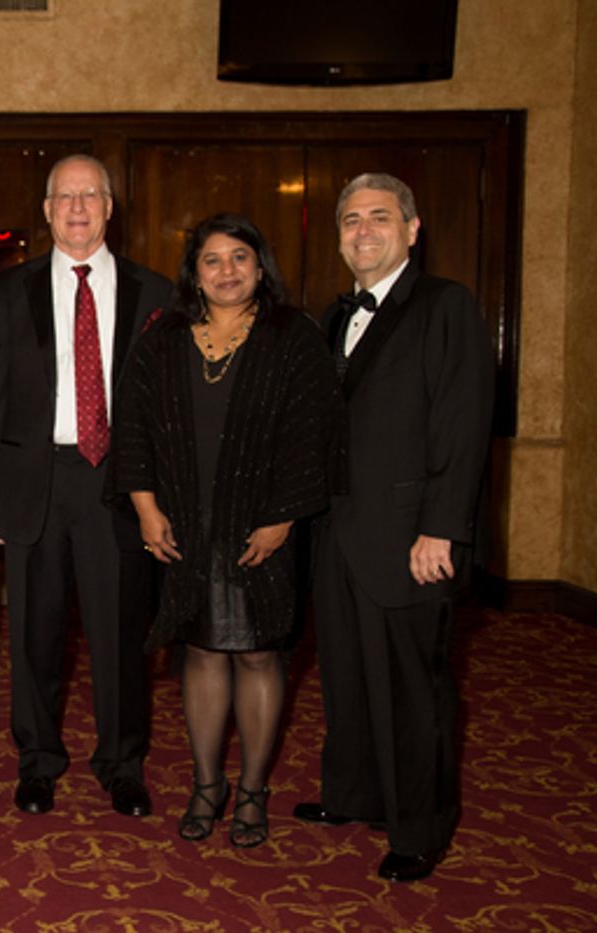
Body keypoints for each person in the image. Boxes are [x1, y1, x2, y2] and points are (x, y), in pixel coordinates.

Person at [111, 214, 341, 848]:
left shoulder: (293, 336)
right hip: (186, 525)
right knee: (204, 648)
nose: (227, 271)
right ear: (195, 273)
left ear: (260, 266)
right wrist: (146, 507)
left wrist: (281, 517)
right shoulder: (165, 337)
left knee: (260, 650)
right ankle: (207, 784)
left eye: (240, 257)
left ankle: (252, 791)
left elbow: (312, 433)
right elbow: (132, 423)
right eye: (212, 260)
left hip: (264, 527)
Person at [298, 173, 493, 882]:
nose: (363, 231)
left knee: (414, 689)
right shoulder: (332, 313)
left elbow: (463, 425)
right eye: (351, 220)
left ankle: (421, 826)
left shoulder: (445, 305)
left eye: (380, 217)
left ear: (413, 229)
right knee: (347, 676)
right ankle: (353, 793)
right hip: (340, 536)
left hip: (413, 539)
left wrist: (441, 529)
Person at [0, 154, 171, 817]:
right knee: (34, 632)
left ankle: (122, 763)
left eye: (90, 195)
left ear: (110, 207)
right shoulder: (9, 292)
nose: (77, 207)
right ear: (46, 210)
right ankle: (38, 761)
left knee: (121, 634)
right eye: (64, 196)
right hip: (36, 480)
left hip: (120, 485)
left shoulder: (158, 294)